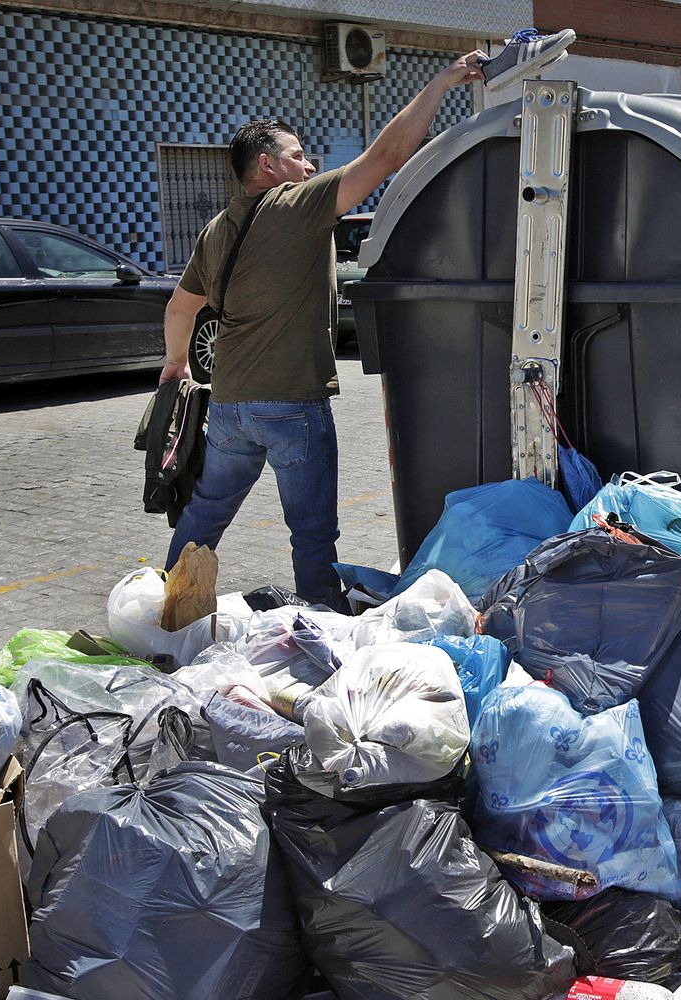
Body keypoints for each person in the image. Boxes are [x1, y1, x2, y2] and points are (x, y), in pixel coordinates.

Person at [160, 30, 573, 608]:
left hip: (230, 406)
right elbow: (384, 157)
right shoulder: (295, 205)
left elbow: (182, 307)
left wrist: (176, 366)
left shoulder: (217, 229)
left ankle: (164, 613)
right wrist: (442, 82)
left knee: (205, 516)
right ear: (267, 165)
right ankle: (320, 636)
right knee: (311, 536)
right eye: (298, 154)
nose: (309, 165)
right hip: (292, 407)